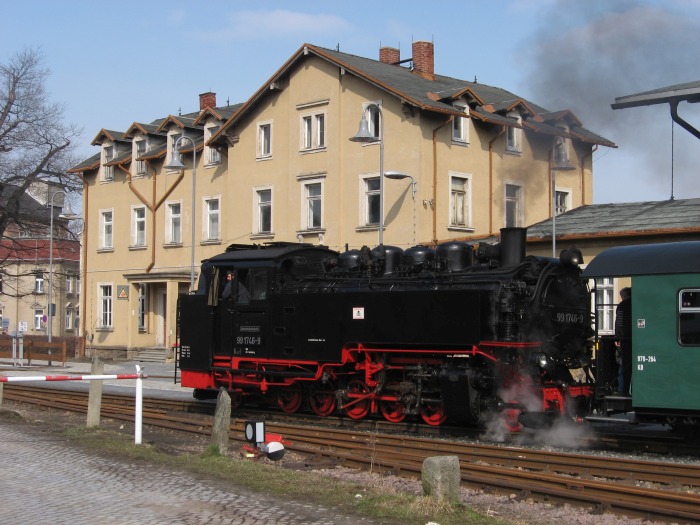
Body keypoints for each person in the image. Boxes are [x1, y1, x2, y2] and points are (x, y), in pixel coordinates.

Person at [614, 287, 632, 395]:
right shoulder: (636, 303)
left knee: (625, 366)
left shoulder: (622, 306)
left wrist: (617, 337)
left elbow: (619, 323)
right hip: (635, 338)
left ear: (624, 295)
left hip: (626, 339)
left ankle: (624, 390)